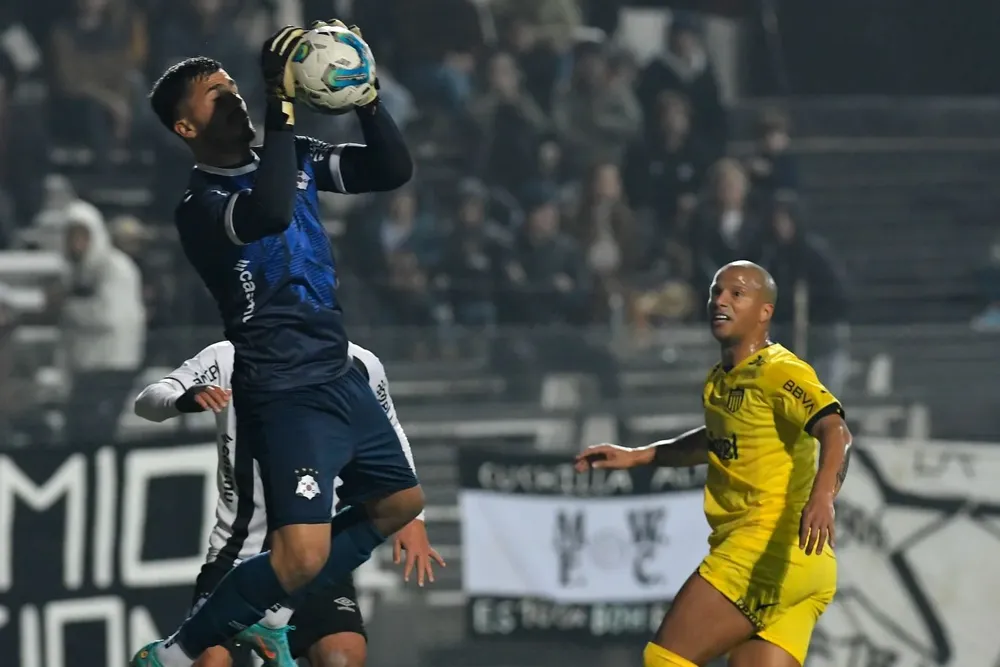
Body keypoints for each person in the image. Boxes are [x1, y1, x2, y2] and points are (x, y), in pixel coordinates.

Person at [135, 21, 420, 667]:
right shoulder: (200, 201)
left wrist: (367, 97)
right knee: (305, 553)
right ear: (186, 129)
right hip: (282, 380)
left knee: (402, 502)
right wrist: (281, 108)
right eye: (216, 94)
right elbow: (268, 213)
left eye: (234, 84)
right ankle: (178, 652)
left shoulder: (291, 157)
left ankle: (273, 614)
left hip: (334, 365)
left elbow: (391, 168)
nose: (233, 95)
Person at [576, 261, 853, 667]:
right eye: (715, 292)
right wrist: (641, 455)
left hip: (765, 548)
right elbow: (717, 440)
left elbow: (836, 431)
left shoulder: (778, 370)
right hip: (804, 567)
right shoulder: (721, 380)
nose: (720, 300)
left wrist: (823, 497)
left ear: (765, 311)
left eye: (736, 293)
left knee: (664, 660)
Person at [134, 340, 445, 667]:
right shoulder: (226, 357)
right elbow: (147, 402)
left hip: (315, 552)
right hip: (239, 551)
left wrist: (414, 518)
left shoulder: (360, 363)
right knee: (210, 662)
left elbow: (391, 429)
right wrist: (182, 400)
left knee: (344, 656)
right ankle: (173, 654)